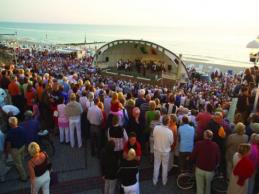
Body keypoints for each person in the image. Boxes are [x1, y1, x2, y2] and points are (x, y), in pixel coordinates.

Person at [189, 130, 220, 194]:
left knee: (199, 186)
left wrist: (191, 161)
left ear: (204, 136)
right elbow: (218, 157)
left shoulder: (198, 144)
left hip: (200, 168)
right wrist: (216, 165)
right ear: (211, 137)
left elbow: (193, 155)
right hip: (210, 170)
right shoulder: (215, 145)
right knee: (208, 187)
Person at [153, 115, 173, 186]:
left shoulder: (156, 128)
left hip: (157, 150)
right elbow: (171, 142)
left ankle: (155, 181)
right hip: (166, 151)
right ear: (168, 122)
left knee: (156, 165)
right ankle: (164, 181)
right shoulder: (170, 132)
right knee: (165, 166)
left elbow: (154, 136)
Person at [5, 116, 27, 181]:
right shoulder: (22, 128)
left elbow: (8, 144)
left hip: (15, 150)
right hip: (22, 147)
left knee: (18, 164)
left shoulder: (10, 132)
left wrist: (7, 153)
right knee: (22, 161)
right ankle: (26, 173)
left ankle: (24, 178)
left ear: (10, 124)